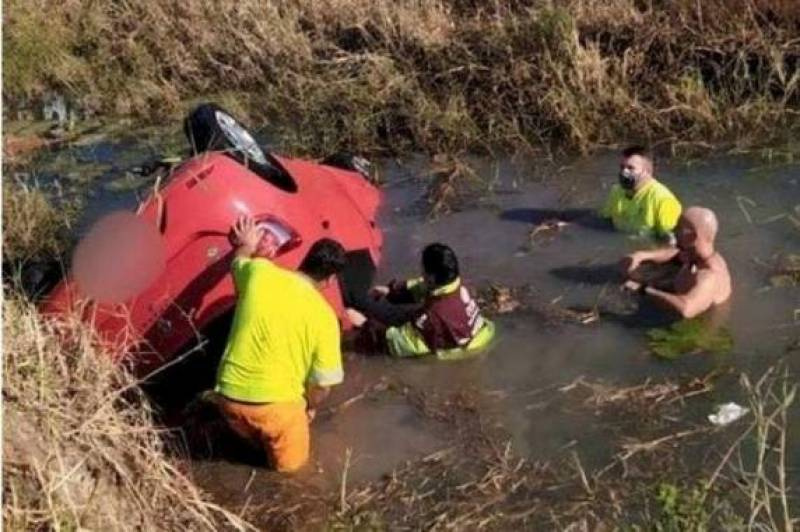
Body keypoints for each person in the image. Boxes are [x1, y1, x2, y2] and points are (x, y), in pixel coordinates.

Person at [214, 215, 346, 472]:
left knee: (246, 440)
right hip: (277, 411)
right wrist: (310, 406)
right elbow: (321, 385)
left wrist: (245, 243)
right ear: (331, 280)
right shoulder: (326, 317)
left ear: (304, 260)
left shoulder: (259, 273)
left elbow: (238, 261)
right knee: (293, 476)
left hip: (228, 399)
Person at [346, 243, 495, 359]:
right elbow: (423, 286)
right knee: (376, 307)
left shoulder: (433, 317)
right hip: (462, 332)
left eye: (423, 271)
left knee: (377, 329)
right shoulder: (456, 286)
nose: (421, 274)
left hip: (442, 342)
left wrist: (364, 325)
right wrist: (392, 291)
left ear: (432, 277)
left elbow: (398, 344)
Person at [621, 206, 731, 319]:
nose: (674, 232)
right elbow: (677, 253)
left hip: (691, 328)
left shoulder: (709, 276)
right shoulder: (697, 256)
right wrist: (643, 256)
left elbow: (686, 310)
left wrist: (642, 290)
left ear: (692, 236)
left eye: (679, 229)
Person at [600, 145, 682, 240]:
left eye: (631, 168)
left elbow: (673, 244)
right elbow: (605, 221)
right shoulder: (616, 191)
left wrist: (640, 255)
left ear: (647, 171)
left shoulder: (664, 200)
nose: (624, 172)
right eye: (622, 167)